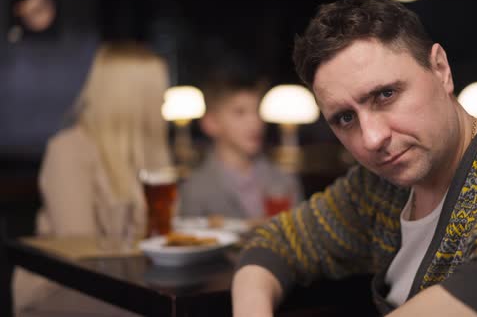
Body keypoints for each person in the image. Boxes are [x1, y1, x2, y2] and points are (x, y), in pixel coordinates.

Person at [231, 0, 477, 317]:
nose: (371, 139)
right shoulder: (378, 190)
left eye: (385, 95)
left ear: (440, 69)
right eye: (345, 118)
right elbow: (275, 243)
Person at [13, 41, 171, 317]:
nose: (163, 100)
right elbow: (80, 247)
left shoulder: (152, 154)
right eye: (158, 92)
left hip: (133, 285)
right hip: (62, 289)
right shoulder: (68, 149)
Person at [179, 72, 303, 220]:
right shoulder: (195, 188)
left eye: (258, 111)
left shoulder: (285, 180)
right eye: (240, 112)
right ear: (210, 123)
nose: (255, 122)